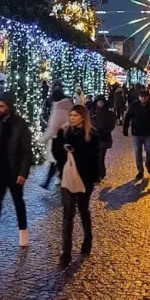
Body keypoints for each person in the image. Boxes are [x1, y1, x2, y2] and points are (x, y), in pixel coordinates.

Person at [0, 92, 32, 256]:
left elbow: (26, 151)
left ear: (9, 106)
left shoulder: (20, 125)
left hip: (14, 170)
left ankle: (23, 230)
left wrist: (23, 172)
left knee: (18, 202)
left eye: (1, 106)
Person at [52, 105, 99, 267]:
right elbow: (56, 152)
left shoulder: (92, 135)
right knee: (68, 213)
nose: (72, 118)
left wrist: (76, 152)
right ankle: (66, 253)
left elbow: (94, 157)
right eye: (71, 115)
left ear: (83, 117)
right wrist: (64, 151)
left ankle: (87, 240)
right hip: (67, 178)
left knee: (83, 209)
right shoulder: (64, 132)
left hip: (85, 179)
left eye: (75, 115)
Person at [41, 89, 74, 189]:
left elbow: (53, 128)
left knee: (56, 161)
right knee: (60, 162)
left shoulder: (58, 110)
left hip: (58, 140)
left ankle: (60, 183)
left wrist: (42, 139)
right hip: (68, 138)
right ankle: (51, 182)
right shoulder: (68, 106)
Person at [122, 90, 150, 180]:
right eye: (142, 97)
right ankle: (140, 171)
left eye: (145, 97)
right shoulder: (134, 105)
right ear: (139, 97)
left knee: (149, 150)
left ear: (148, 97)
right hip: (137, 133)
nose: (143, 98)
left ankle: (148, 165)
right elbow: (128, 117)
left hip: (148, 133)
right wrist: (125, 128)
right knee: (138, 152)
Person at [91, 95, 116, 179]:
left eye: (102, 102)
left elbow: (112, 124)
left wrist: (106, 131)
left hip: (104, 137)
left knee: (101, 156)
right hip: (95, 137)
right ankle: (100, 172)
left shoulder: (108, 113)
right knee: (96, 156)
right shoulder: (92, 112)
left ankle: (100, 173)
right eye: (99, 102)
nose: (100, 103)